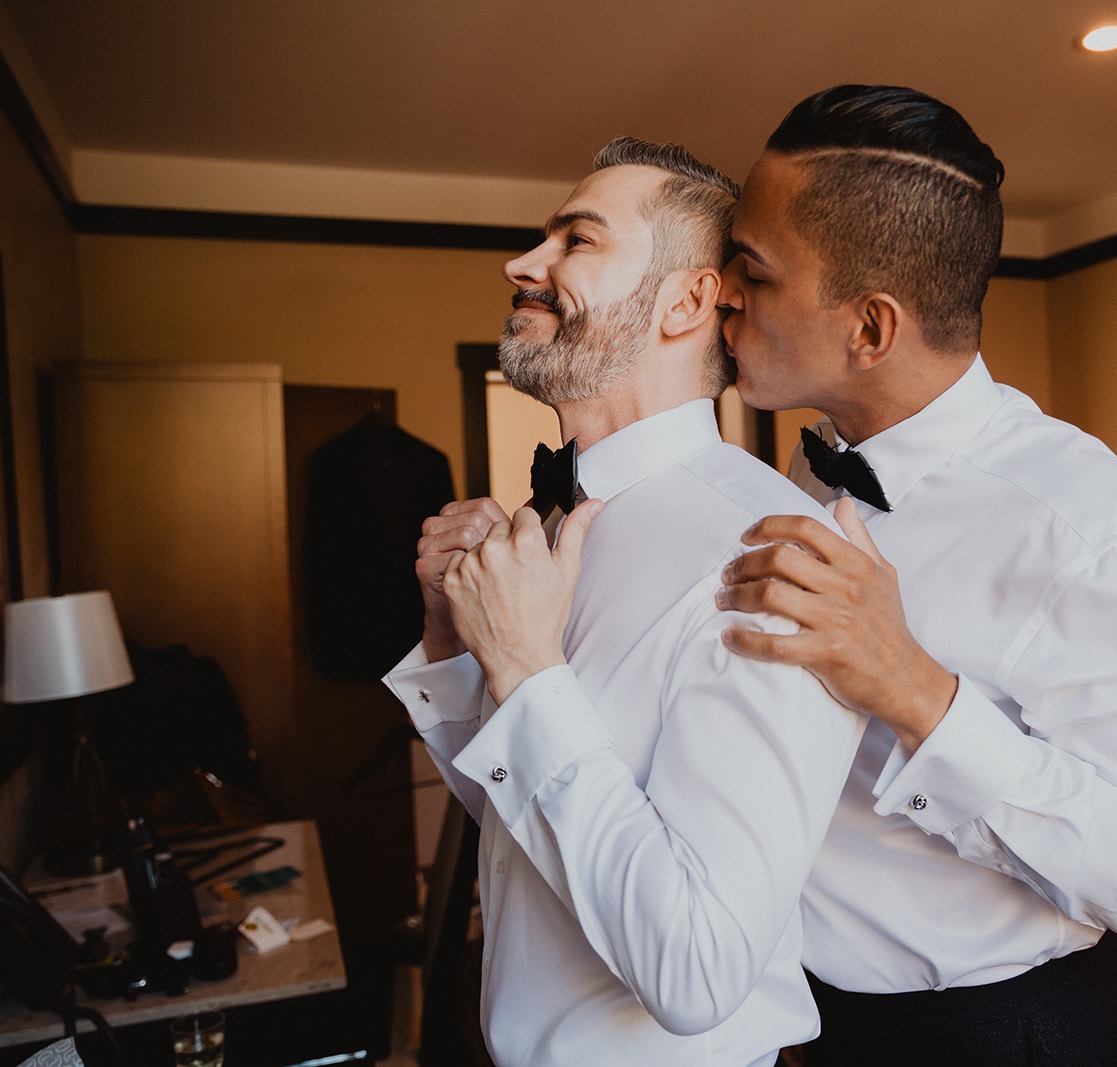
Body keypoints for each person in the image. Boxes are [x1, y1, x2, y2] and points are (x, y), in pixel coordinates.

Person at [714, 85, 1117, 1064]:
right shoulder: (803, 468)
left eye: (752, 268)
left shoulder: (1092, 521)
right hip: (803, 1020)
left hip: (1005, 1034)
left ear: (868, 328)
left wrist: (913, 688)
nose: (723, 293)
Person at [381, 137, 864, 1067]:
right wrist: (456, 645)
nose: (523, 264)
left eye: (577, 240)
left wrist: (526, 671)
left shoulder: (769, 549)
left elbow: (697, 968)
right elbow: (527, 829)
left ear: (685, 301)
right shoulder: (544, 528)